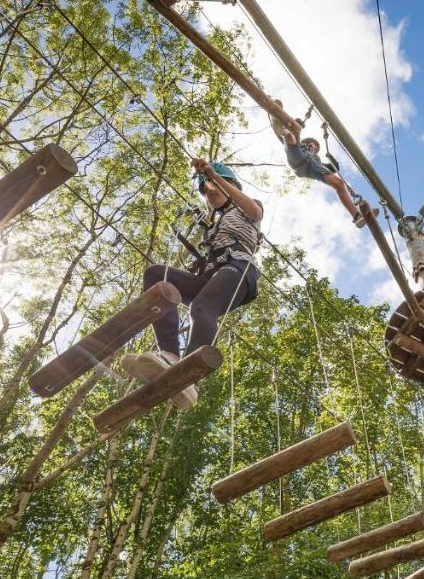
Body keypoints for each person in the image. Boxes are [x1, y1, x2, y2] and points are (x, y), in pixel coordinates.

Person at [123, 159, 261, 407]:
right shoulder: (214, 225)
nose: (211, 193)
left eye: (215, 187)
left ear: (231, 185)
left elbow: (255, 211)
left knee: (201, 307)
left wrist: (211, 175)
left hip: (239, 271)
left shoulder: (245, 210)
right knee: (157, 275)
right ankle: (170, 355)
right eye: (206, 192)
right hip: (212, 278)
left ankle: (190, 379)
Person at [269, 99, 376, 228]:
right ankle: (280, 128)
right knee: (291, 136)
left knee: (339, 184)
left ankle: (356, 216)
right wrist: (298, 124)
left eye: (315, 147)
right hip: (298, 156)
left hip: (311, 168)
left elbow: (334, 168)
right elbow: (297, 134)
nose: (313, 147)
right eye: (312, 144)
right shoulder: (300, 144)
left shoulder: (317, 160)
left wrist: (332, 158)